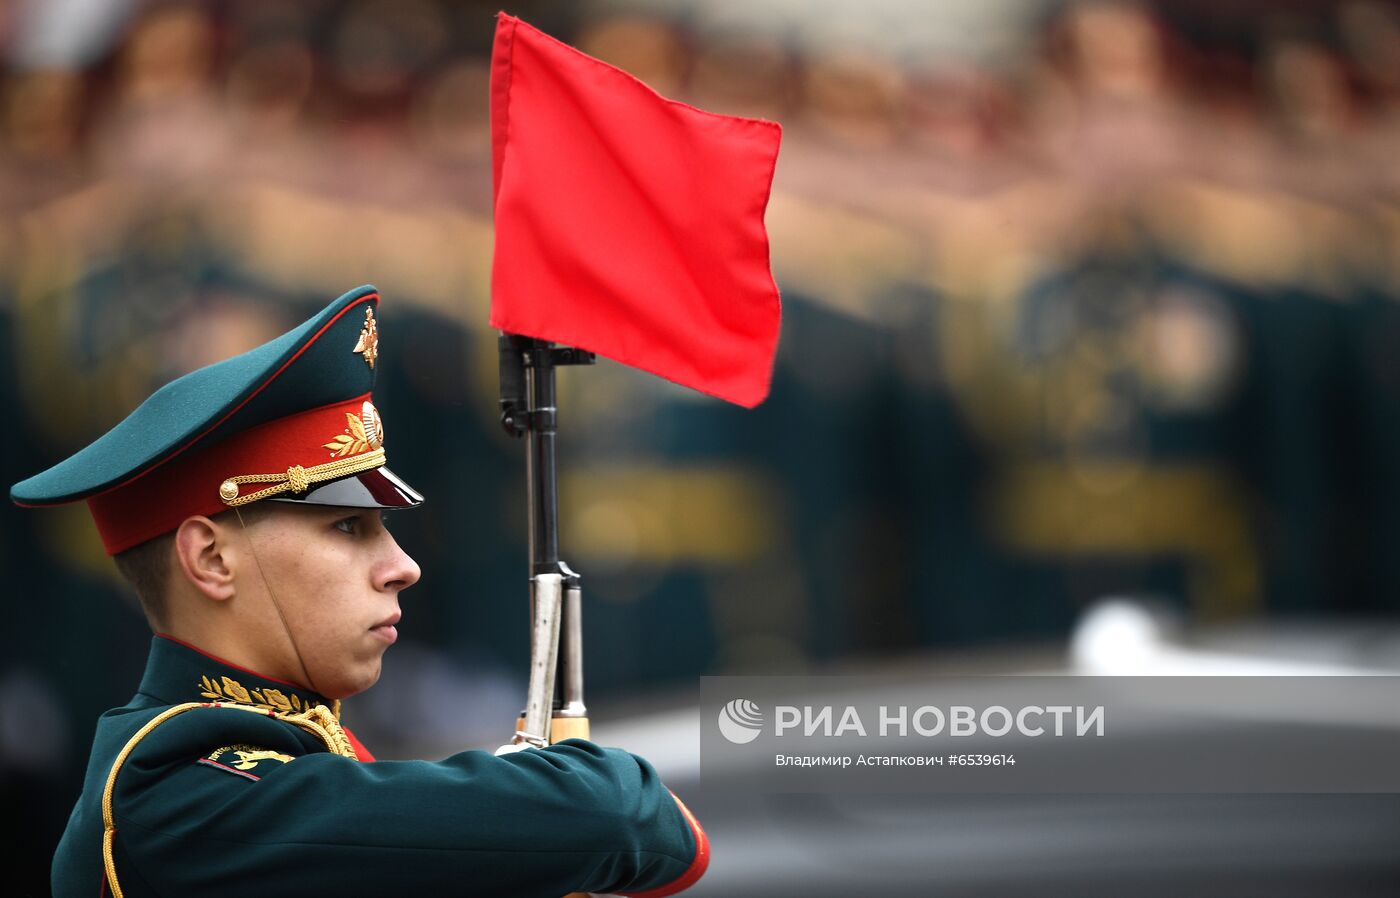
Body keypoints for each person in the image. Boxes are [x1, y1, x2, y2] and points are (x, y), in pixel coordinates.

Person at [12, 285, 708, 897]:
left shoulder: (305, 758)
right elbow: (622, 816)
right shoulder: (180, 797)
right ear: (213, 559)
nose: (403, 566)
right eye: (348, 527)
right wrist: (560, 799)